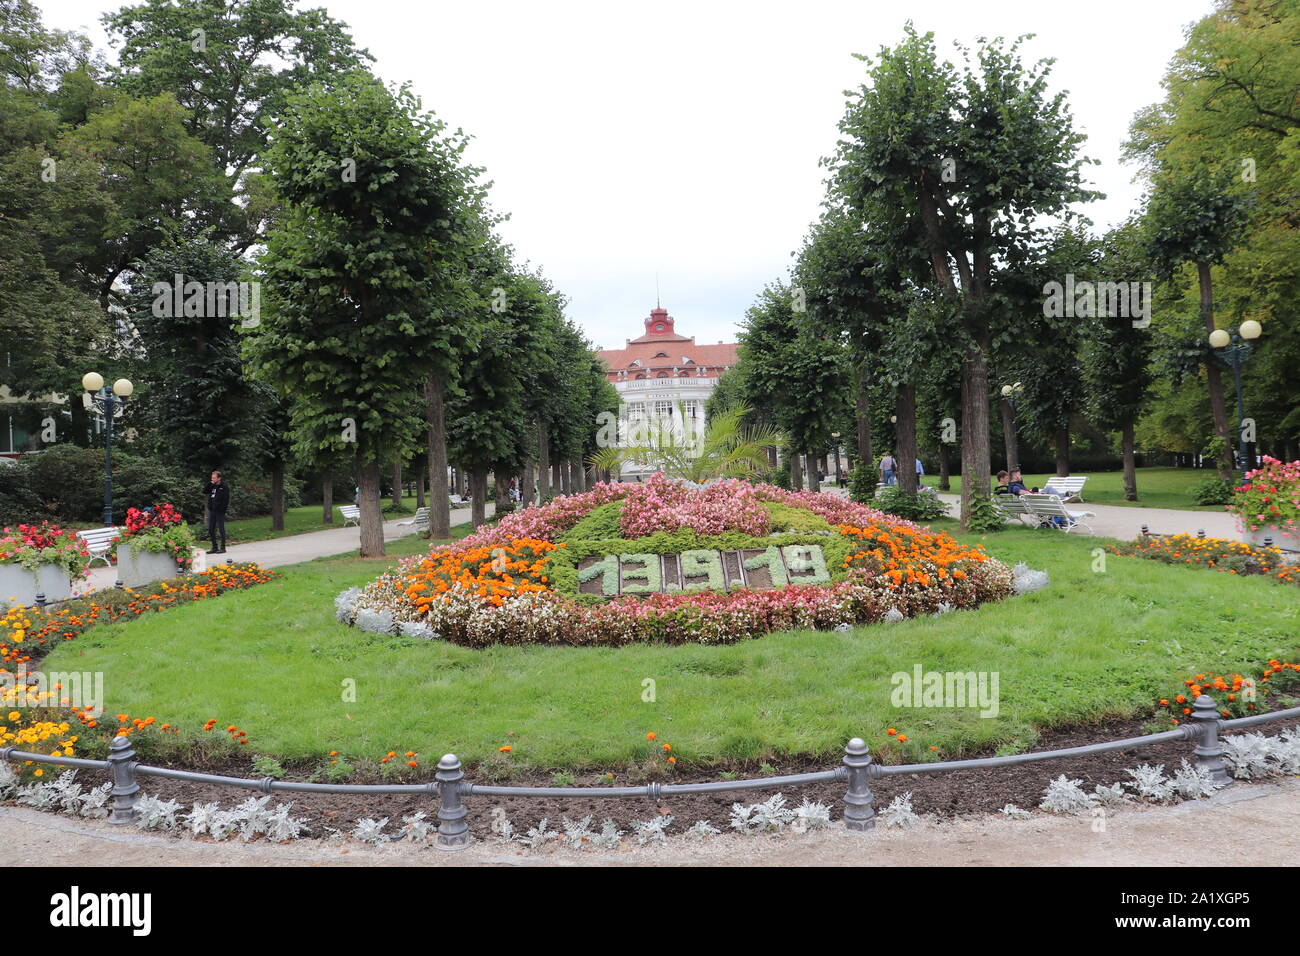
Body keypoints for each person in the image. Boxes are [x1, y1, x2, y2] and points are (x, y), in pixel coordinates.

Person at [202, 470, 229, 554]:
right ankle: (214, 547)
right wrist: (210, 483)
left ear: (219, 478)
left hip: (220, 511)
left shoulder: (224, 487)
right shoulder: (212, 486)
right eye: (212, 477)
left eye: (214, 478)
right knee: (211, 529)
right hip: (212, 511)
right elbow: (204, 491)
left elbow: (226, 500)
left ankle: (223, 548)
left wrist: (222, 509)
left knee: (221, 529)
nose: (212, 479)